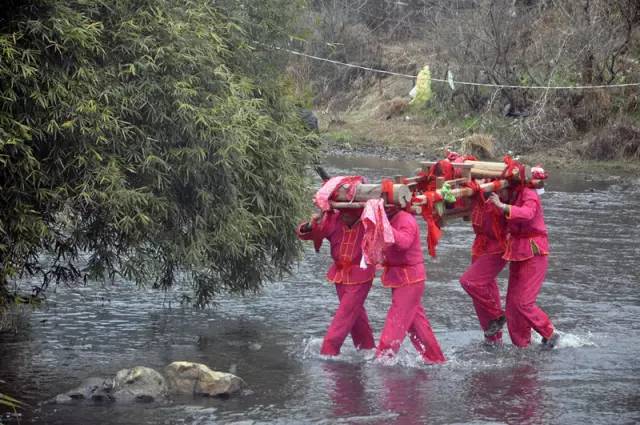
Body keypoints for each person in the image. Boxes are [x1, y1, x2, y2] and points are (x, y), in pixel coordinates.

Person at [297, 208, 376, 356]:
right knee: (357, 319)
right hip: (339, 275)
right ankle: (368, 350)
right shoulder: (334, 218)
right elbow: (312, 233)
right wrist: (312, 223)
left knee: (343, 318)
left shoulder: (368, 221)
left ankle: (328, 352)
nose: (344, 215)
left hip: (360, 276)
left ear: (358, 212)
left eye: (349, 212)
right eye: (342, 211)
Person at [488, 186, 559, 348]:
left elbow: (527, 214)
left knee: (523, 303)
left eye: (500, 190)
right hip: (517, 251)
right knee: (512, 306)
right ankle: (522, 345)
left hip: (534, 252)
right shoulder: (507, 197)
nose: (499, 195)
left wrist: (502, 206)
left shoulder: (529, 194)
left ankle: (550, 333)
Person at [375, 208, 446, 364]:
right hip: (401, 278)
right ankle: (435, 358)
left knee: (397, 317)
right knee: (417, 325)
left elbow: (404, 243)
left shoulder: (406, 219)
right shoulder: (390, 218)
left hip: (410, 279)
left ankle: (384, 356)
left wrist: (385, 226)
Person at [459, 189, 508, 344]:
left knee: (469, 282)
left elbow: (522, 215)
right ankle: (493, 338)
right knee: (483, 292)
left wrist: (501, 204)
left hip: (497, 246)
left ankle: (498, 316)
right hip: (479, 246)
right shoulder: (472, 197)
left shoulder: (501, 197)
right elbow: (454, 205)